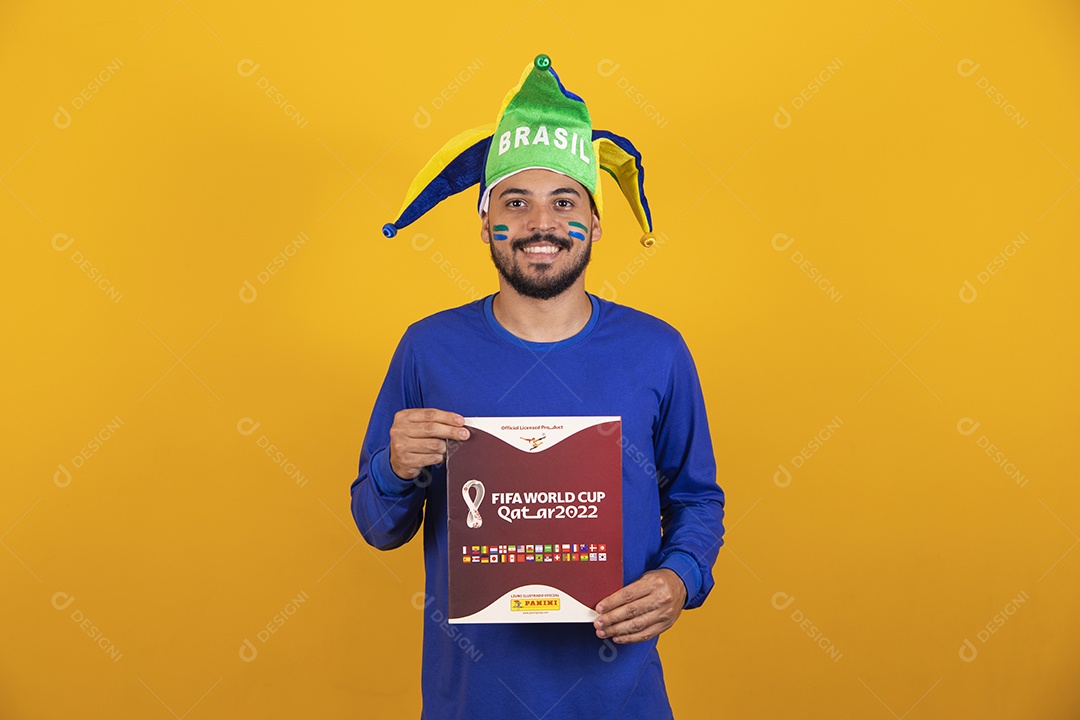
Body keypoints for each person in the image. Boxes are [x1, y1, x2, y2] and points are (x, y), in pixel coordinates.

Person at [351, 53, 725, 720]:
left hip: (622, 702)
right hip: (471, 704)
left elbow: (696, 498)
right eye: (516, 202)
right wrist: (394, 468)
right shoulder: (428, 348)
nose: (540, 224)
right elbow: (379, 528)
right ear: (485, 221)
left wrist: (681, 578)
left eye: (564, 202)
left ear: (595, 224)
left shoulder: (657, 350)